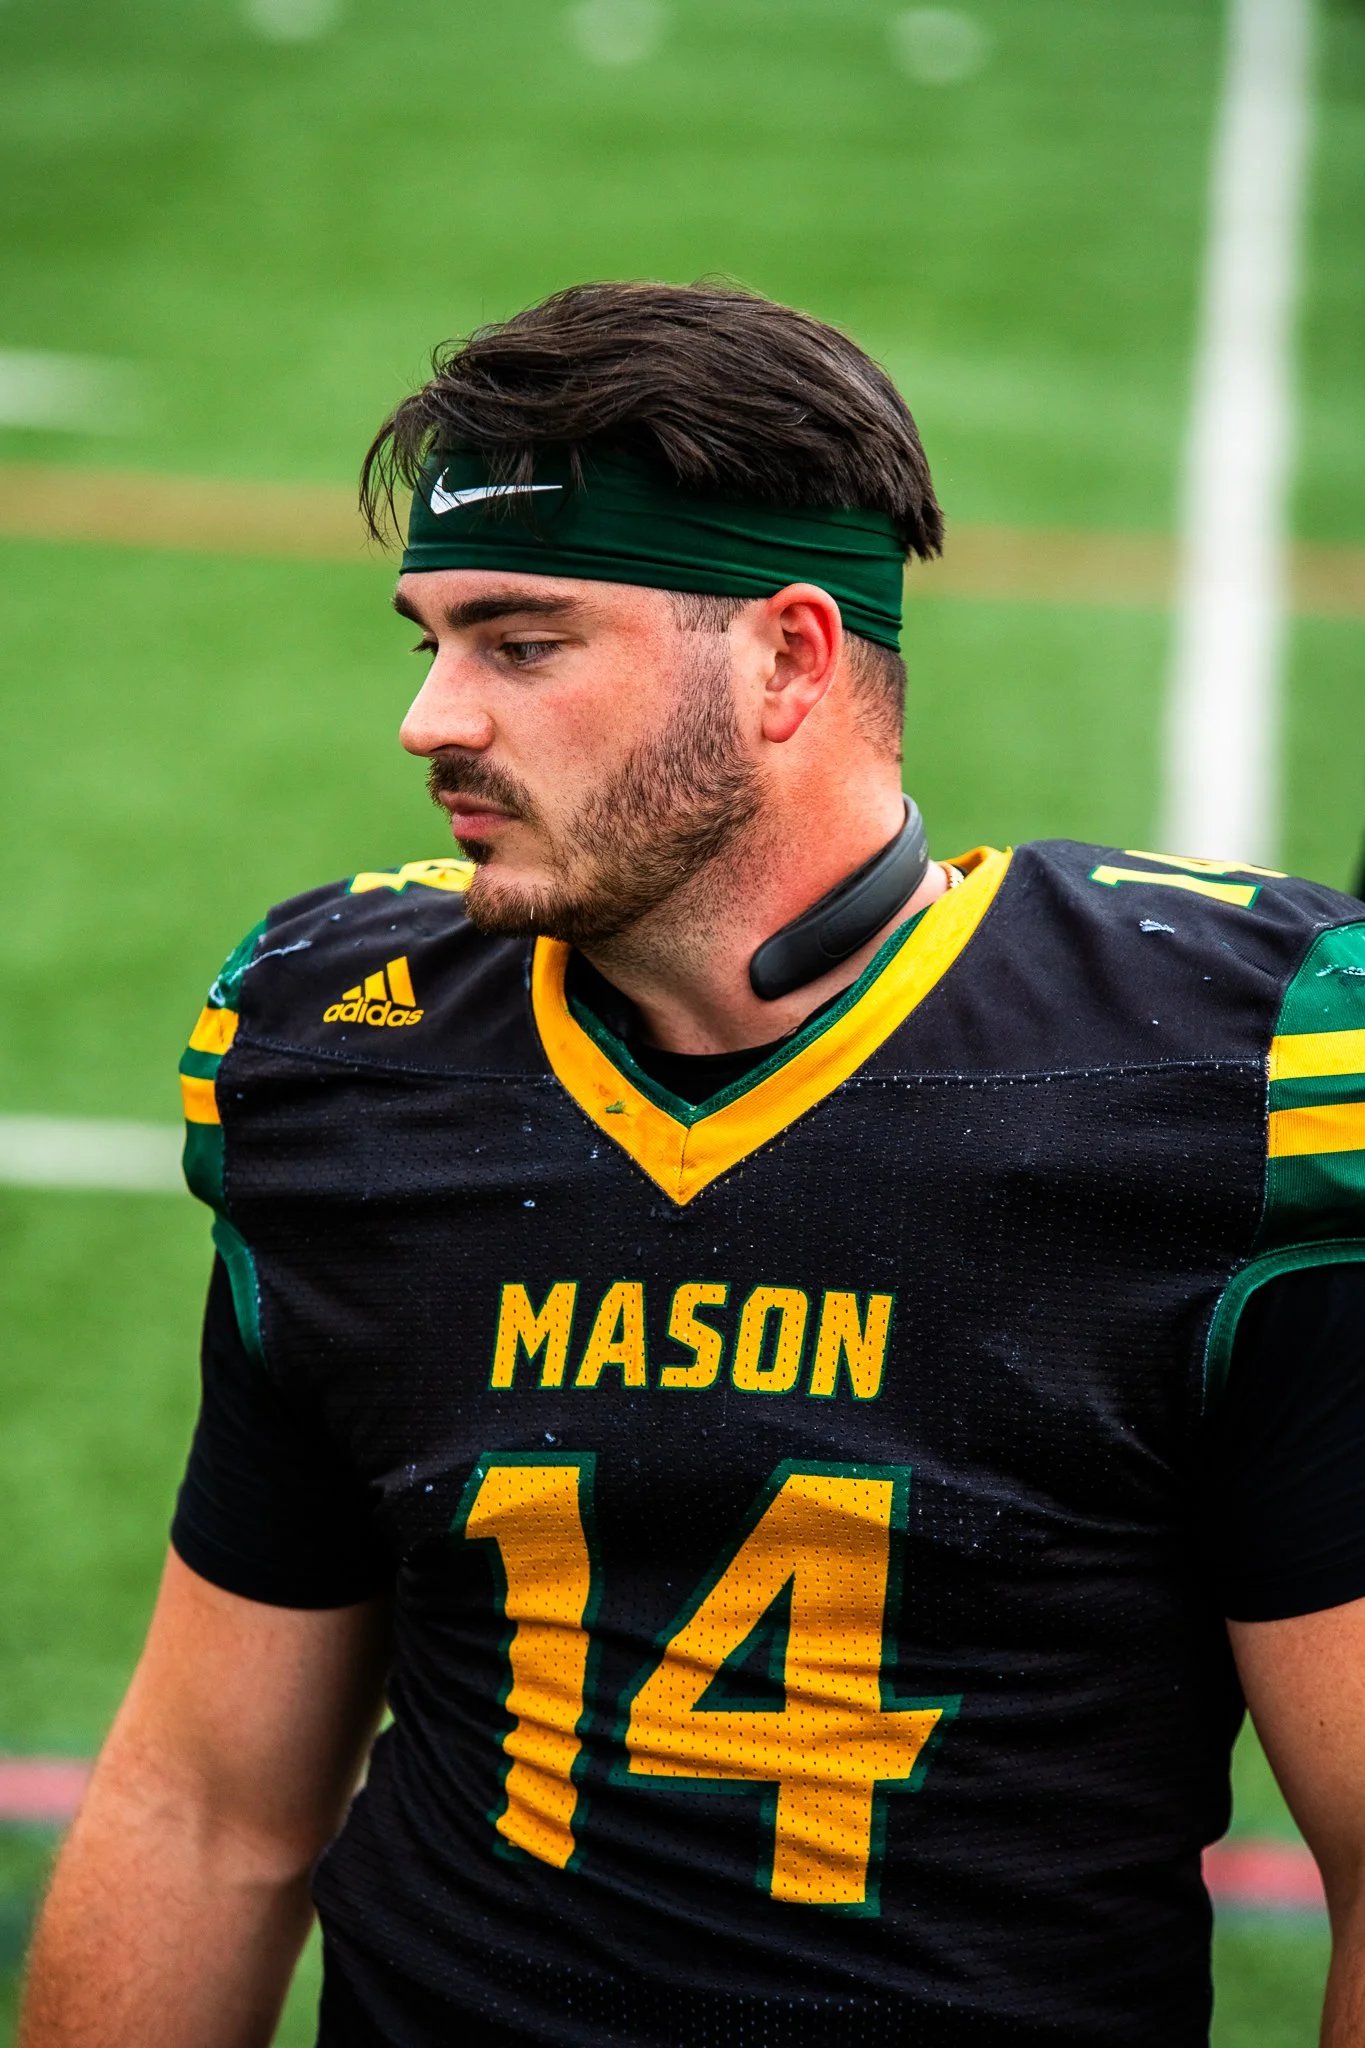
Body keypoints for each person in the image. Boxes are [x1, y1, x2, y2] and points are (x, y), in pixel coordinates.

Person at [19, 281, 1365, 2048]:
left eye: (521, 641)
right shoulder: (351, 1056)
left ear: (792, 656)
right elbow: (207, 1810)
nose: (431, 719)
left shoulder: (1216, 1082)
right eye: (424, 640)